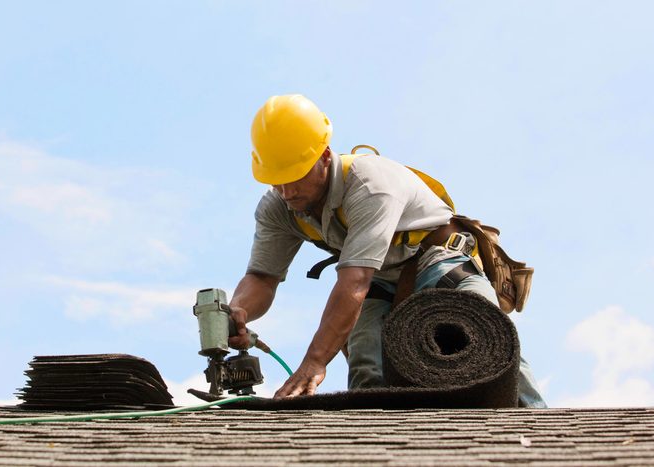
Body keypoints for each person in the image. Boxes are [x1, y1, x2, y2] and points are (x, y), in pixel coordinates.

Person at [228, 94, 546, 407]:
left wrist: (314, 361)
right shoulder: (277, 208)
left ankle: (538, 423)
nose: (286, 192)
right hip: (380, 277)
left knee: (494, 341)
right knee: (366, 362)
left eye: (296, 177)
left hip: (440, 260)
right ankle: (375, 443)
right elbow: (262, 277)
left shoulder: (369, 185)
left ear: (324, 157)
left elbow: (355, 280)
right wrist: (238, 310)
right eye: (275, 181)